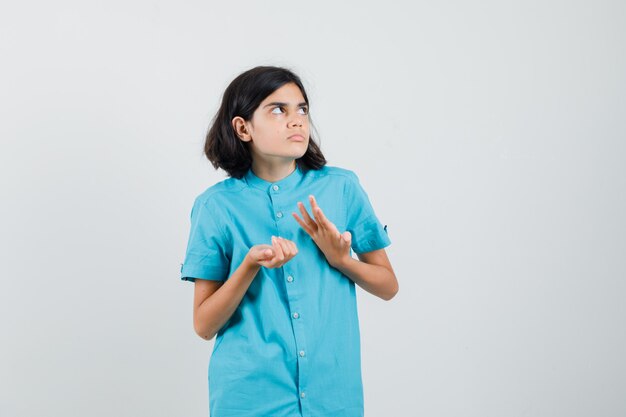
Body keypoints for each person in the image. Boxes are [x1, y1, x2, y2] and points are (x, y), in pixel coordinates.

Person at [180, 65, 398, 417]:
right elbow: (204, 325)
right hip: (250, 398)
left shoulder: (342, 188)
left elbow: (389, 286)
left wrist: (341, 260)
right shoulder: (215, 206)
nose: (296, 120)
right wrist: (249, 265)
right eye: (278, 109)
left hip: (333, 396)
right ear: (243, 127)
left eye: (302, 109)